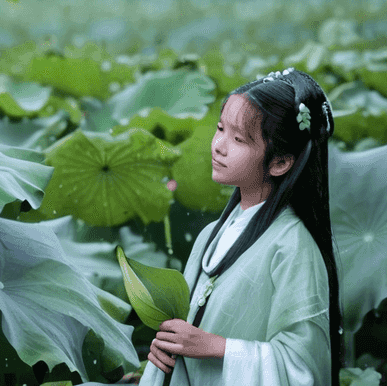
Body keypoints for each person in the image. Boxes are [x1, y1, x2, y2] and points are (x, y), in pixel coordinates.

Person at [139, 68, 344, 385]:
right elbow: (187, 334)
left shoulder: (293, 248)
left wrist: (215, 347)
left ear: (280, 162)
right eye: (220, 128)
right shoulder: (210, 236)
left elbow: (303, 370)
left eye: (238, 139)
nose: (219, 145)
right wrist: (168, 350)